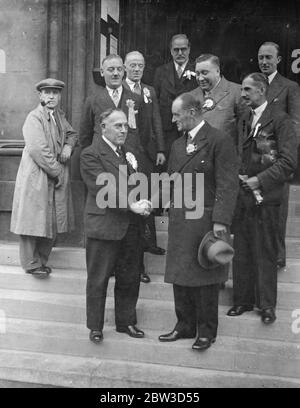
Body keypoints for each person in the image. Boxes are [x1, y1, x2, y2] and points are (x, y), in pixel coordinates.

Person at [158, 93, 239, 351]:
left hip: (206, 221)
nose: (173, 120)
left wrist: (220, 220)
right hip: (181, 220)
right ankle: (184, 325)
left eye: (176, 114)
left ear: (192, 112)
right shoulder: (176, 145)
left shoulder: (219, 140)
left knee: (205, 276)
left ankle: (206, 331)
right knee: (180, 274)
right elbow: (171, 180)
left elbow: (228, 184)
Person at [227, 73, 297, 324]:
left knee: (266, 249)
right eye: (242, 90)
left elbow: (289, 162)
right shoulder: (244, 118)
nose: (243, 95)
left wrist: (260, 180)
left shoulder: (281, 120)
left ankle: (266, 305)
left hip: (267, 196)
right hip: (244, 195)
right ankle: (242, 300)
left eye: (247, 90)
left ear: (262, 91)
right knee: (243, 247)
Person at [80, 108, 152, 344]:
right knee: (98, 278)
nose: (124, 130)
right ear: (104, 127)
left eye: (125, 126)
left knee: (130, 277)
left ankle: (126, 321)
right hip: (104, 225)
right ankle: (95, 326)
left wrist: (145, 200)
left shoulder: (129, 153)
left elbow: (139, 182)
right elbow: (103, 187)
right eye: (118, 126)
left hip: (131, 226)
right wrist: (132, 205)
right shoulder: (91, 154)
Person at [10, 78, 78, 277]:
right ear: (40, 96)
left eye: (55, 93)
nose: (51, 96)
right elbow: (38, 149)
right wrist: (57, 171)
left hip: (52, 175)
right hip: (37, 176)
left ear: (59, 96)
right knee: (32, 220)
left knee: (52, 219)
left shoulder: (59, 116)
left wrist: (68, 146)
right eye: (47, 92)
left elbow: (73, 134)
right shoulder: (34, 118)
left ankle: (41, 261)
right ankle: (31, 264)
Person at [124, 50, 166, 283]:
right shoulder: (121, 90)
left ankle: (151, 243)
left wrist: (160, 149)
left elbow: (157, 121)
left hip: (148, 155)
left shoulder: (149, 90)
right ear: (125, 67)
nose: (137, 69)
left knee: (148, 199)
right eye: (132, 65)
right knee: (135, 204)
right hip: (129, 156)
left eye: (140, 65)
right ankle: (137, 265)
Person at [258, 41, 300, 271]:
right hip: (254, 158)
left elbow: (295, 124)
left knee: (278, 209)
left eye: (269, 58)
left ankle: (278, 255)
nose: (264, 62)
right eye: (261, 57)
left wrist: (286, 156)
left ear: (279, 60)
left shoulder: (289, 87)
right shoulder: (252, 84)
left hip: (277, 158)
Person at [79, 54, 142, 157]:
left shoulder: (137, 99)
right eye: (111, 70)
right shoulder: (92, 101)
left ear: (124, 71)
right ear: (102, 72)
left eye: (119, 69)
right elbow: (85, 136)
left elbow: (144, 132)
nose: (116, 73)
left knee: (123, 173)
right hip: (101, 159)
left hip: (127, 159)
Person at [154, 34, 198, 159]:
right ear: (171, 51)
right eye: (176, 50)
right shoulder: (161, 72)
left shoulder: (197, 70)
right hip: (167, 131)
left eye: (183, 49)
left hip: (190, 128)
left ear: (189, 49)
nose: (180, 53)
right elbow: (156, 104)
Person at [189, 53, 246, 149]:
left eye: (204, 73)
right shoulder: (191, 96)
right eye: (197, 73)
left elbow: (244, 134)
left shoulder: (237, 92)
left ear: (217, 71)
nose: (200, 78)